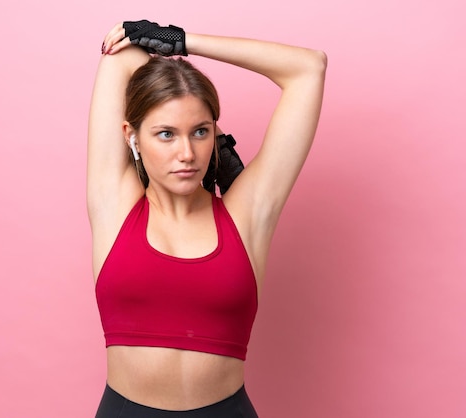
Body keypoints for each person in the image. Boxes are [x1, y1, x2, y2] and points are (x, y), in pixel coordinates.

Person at [87, 20, 326, 417]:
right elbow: (121, 56)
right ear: (132, 136)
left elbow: (308, 68)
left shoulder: (247, 214)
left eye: (199, 132)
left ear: (215, 134)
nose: (187, 153)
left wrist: (185, 42)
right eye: (166, 134)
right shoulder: (114, 203)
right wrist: (164, 54)